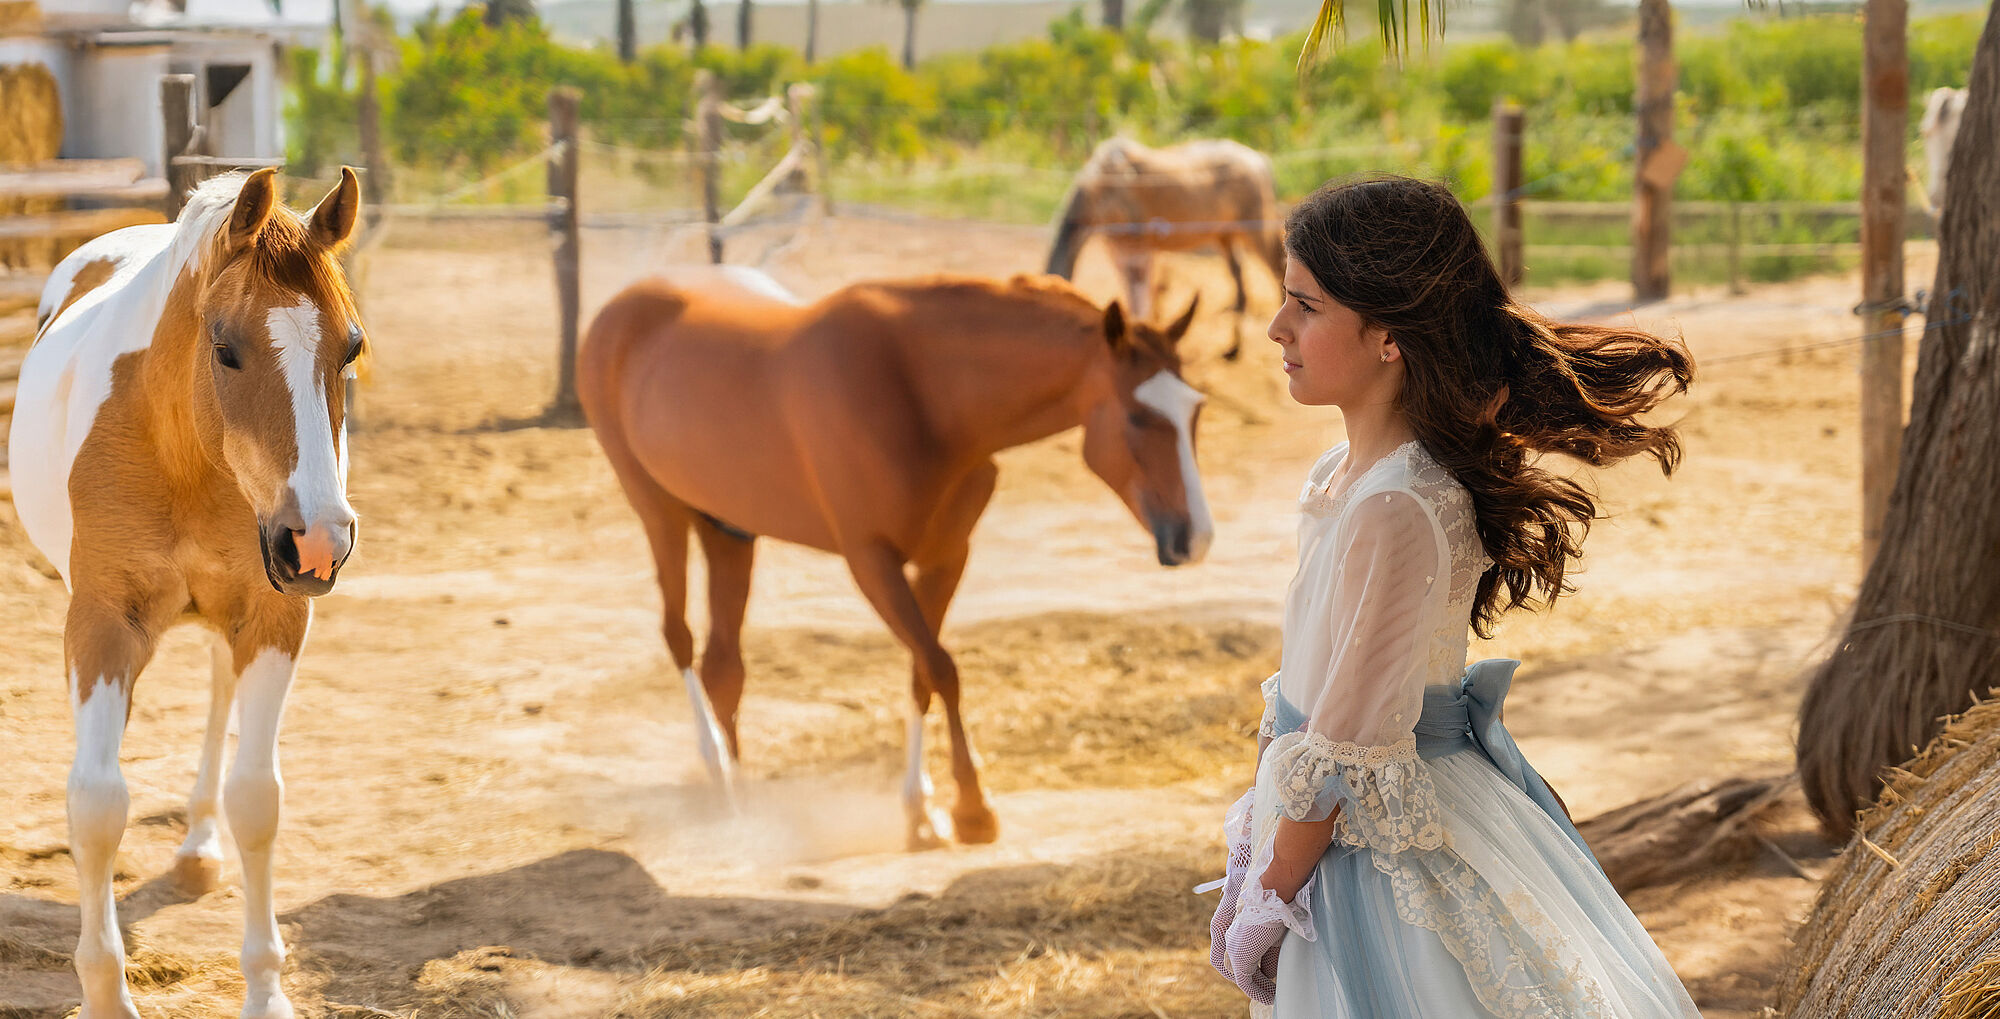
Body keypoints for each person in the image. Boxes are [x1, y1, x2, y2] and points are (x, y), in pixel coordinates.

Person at [1207, 176, 1704, 1018]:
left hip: (1371, 851)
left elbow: (1343, 754)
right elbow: (1310, 705)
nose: (1276, 328)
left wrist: (1266, 896)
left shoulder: (1398, 506)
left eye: (1307, 306)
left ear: (1388, 336)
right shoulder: (1341, 478)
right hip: (1328, 823)